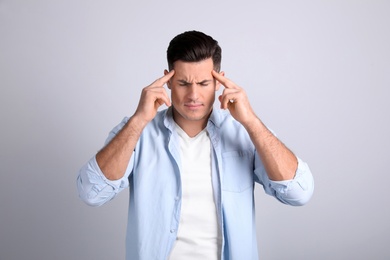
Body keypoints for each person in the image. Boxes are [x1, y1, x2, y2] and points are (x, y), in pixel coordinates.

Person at [77, 30, 314, 260]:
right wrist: (139, 120)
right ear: (167, 80)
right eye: (182, 83)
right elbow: (91, 193)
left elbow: (299, 193)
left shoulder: (243, 131)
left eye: (203, 83)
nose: (193, 95)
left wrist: (250, 121)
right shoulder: (137, 132)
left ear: (219, 81)